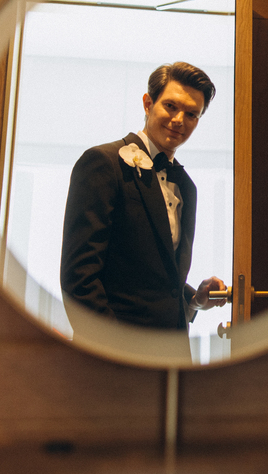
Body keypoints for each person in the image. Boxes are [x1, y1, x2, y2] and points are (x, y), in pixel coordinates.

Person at [61, 62, 227, 330]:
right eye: (171, 106)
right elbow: (79, 279)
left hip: (172, 353)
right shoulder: (103, 163)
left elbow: (159, 280)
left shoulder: (187, 186)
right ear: (148, 104)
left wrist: (195, 300)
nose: (179, 120)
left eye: (192, 114)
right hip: (117, 356)